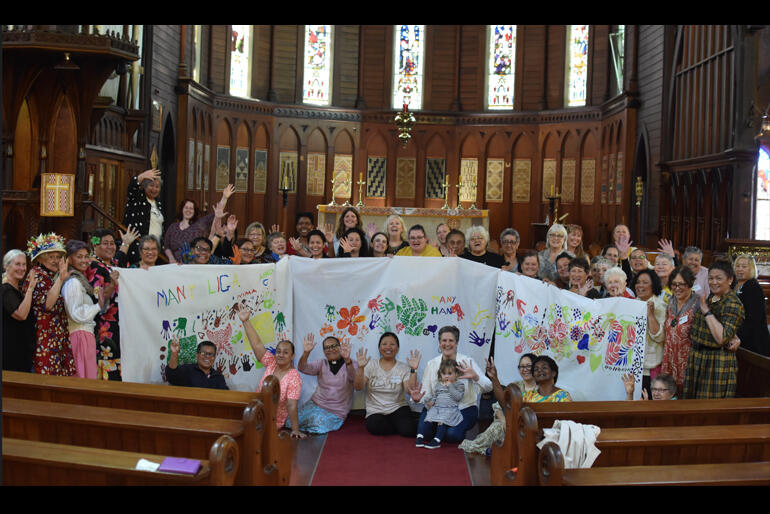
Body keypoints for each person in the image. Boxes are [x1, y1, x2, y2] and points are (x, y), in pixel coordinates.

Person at [412, 325, 492, 444]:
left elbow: (488, 386)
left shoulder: (467, 362)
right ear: (439, 343)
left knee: (452, 436)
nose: (447, 344)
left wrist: (476, 377)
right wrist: (419, 399)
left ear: (457, 343)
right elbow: (426, 393)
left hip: (463, 408)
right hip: (438, 407)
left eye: (451, 340)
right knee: (425, 434)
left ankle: (447, 428)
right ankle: (440, 427)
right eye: (444, 340)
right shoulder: (432, 364)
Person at [237, 306, 305, 438]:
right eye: (278, 351)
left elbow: (291, 405)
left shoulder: (294, 377)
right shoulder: (271, 362)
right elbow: (257, 345)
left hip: (270, 420)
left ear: (292, 356)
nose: (280, 355)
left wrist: (295, 430)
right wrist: (245, 321)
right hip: (254, 411)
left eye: (285, 353)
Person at [682, 260, 745, 399]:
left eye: (719, 278)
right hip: (698, 357)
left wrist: (705, 311)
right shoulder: (712, 298)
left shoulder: (733, 303)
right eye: (710, 278)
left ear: (730, 280)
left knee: (707, 408)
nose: (713, 282)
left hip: (715, 360)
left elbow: (722, 337)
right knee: (691, 405)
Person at [458, 353, 537, 455]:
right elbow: (498, 406)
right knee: (495, 430)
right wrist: (504, 422)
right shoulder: (514, 387)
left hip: (529, 427)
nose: (525, 369)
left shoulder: (541, 388)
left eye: (528, 366)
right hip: (507, 424)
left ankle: (500, 451)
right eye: (522, 366)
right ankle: (488, 450)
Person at [24, 233, 76, 376]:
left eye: (58, 257)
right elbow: (48, 305)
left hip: (56, 337)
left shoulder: (49, 276)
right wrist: (60, 278)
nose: (55, 261)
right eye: (51, 257)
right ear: (40, 259)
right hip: (44, 340)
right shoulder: (37, 275)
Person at [62, 240, 114, 379]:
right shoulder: (73, 282)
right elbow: (76, 313)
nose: (84, 260)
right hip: (79, 336)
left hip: (84, 335)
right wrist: (97, 306)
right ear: (69, 259)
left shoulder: (80, 280)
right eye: (79, 257)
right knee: (82, 379)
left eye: (86, 256)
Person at [354, 332, 421, 437]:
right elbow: (358, 387)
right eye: (384, 344)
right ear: (379, 348)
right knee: (374, 426)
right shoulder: (371, 365)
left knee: (409, 430)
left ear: (397, 348)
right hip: (376, 410)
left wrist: (413, 369)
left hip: (398, 408)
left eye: (392, 344)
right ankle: (400, 426)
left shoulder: (403, 367)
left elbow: (410, 390)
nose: (388, 347)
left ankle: (405, 425)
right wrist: (360, 368)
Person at [87, 228, 133, 380]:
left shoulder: (111, 263)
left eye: (112, 243)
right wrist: (112, 285)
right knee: (108, 359)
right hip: (105, 325)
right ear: (95, 246)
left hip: (120, 322)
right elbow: (98, 299)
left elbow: (120, 258)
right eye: (105, 243)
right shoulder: (93, 267)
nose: (110, 247)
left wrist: (125, 242)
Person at [296, 334, 357, 434]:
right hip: (315, 404)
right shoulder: (321, 363)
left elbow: (355, 381)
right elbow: (302, 368)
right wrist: (306, 352)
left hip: (336, 411)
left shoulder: (351, 363)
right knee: (291, 420)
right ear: (324, 352)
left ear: (340, 347)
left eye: (334, 346)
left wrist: (348, 361)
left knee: (316, 423)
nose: (331, 349)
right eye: (327, 348)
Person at [163, 184, 234, 263]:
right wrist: (171, 258)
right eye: (186, 208)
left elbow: (217, 212)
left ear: (194, 211)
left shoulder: (200, 224)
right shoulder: (173, 227)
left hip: (195, 265)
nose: (188, 210)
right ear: (182, 209)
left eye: (191, 208)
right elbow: (167, 246)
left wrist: (224, 198)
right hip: (175, 265)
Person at [661, 266, 698, 392]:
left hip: (687, 361)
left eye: (681, 284)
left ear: (689, 284)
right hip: (669, 358)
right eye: (674, 284)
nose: (677, 288)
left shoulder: (698, 303)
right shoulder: (671, 301)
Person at [630, 269, 666, 395]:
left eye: (645, 282)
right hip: (632, 367)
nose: (640, 285)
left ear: (653, 285)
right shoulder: (633, 303)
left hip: (649, 368)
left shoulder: (660, 306)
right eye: (638, 282)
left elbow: (659, 337)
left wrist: (650, 314)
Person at [2, 249, 37, 372]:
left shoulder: (17, 290)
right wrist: (31, 289)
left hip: (22, 350)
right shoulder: (5, 290)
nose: (22, 268)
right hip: (10, 352)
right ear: (6, 266)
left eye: (24, 264)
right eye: (17, 264)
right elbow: (21, 314)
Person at [419, 359, 465, 449]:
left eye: (450, 373)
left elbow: (458, 397)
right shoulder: (439, 384)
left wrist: (450, 386)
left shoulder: (459, 384)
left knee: (442, 420)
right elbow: (436, 395)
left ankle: (437, 440)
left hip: (450, 409)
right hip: (437, 407)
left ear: (456, 373)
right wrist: (432, 401)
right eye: (444, 374)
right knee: (429, 416)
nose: (446, 376)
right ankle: (421, 435)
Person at [123, 168, 164, 264]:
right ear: (144, 187)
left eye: (157, 187)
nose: (154, 189)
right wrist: (141, 177)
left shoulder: (158, 203)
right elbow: (131, 189)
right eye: (151, 186)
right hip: (139, 247)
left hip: (155, 248)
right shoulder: (137, 199)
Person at [733, 254, 770, 356]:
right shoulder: (734, 285)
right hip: (737, 336)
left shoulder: (753, 287)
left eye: (744, 267)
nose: (740, 269)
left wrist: (735, 335)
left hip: (753, 341)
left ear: (751, 269)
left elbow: (753, 319)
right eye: (737, 266)